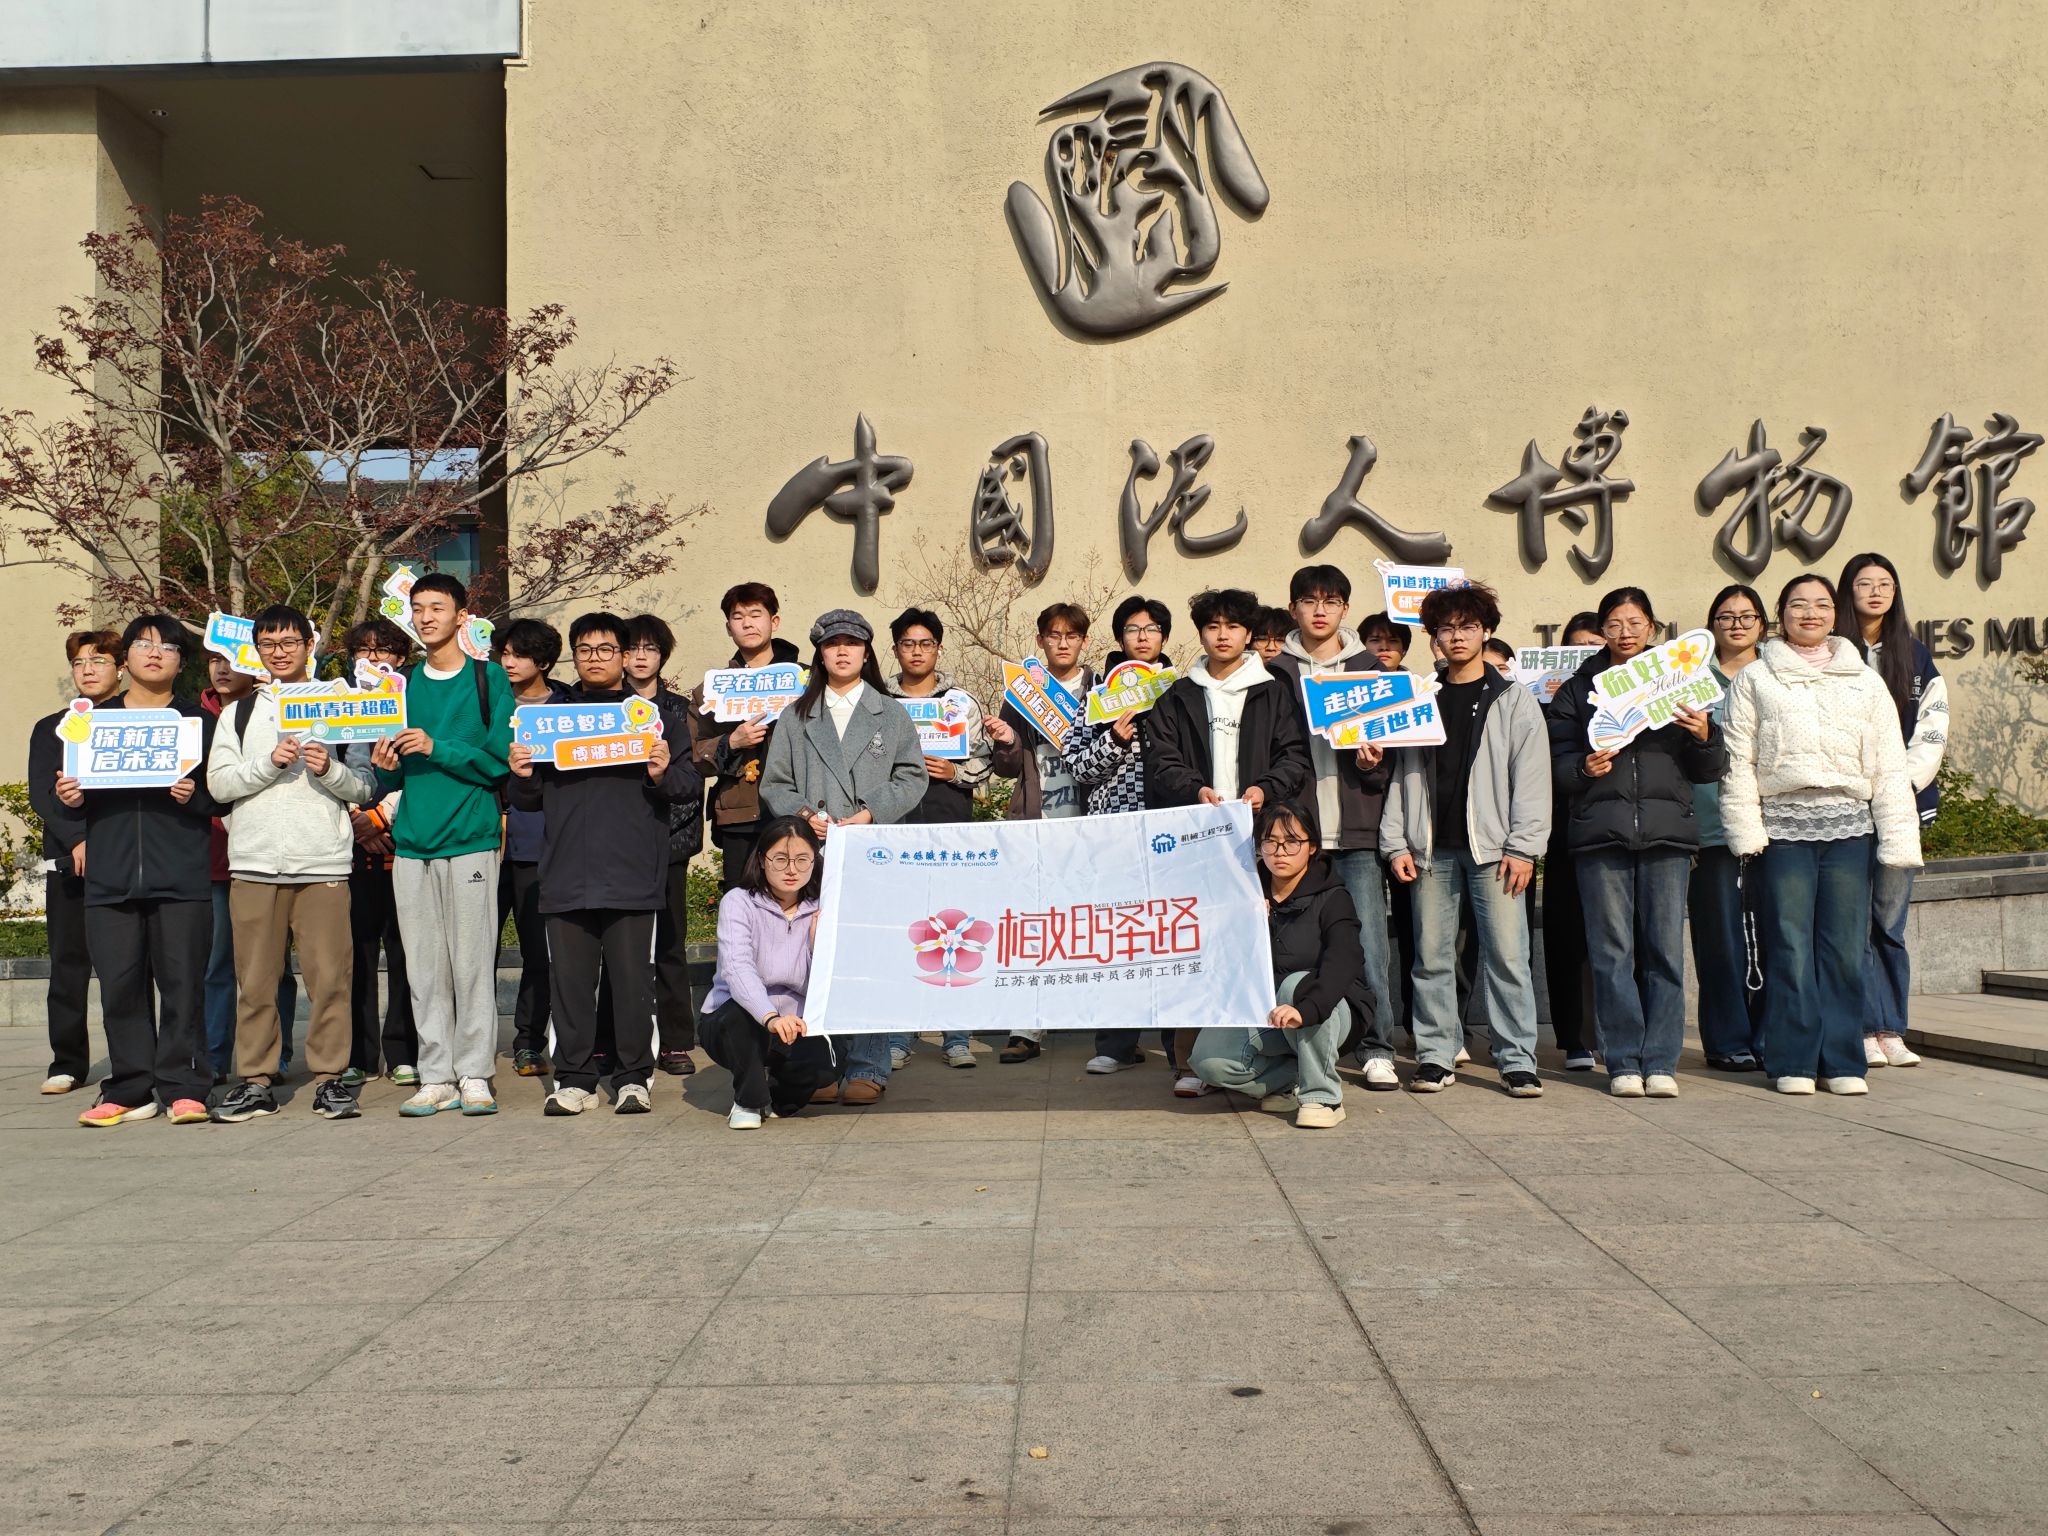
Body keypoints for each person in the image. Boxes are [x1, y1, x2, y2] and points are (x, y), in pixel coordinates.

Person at [1721, 574, 1921, 1096]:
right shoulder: (1756, 678)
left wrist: (1899, 838)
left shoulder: (1864, 680)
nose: (1810, 613)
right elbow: (1738, 761)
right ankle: (1793, 1060)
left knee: (1845, 949)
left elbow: (1889, 764)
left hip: (1850, 829)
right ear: (1780, 614)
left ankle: (1843, 1061)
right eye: (1798, 604)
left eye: (1821, 604)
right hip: (1783, 830)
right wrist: (1746, 831)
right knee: (1789, 947)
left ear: (1835, 613)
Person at [510, 612, 700, 1115]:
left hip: (633, 872)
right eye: (585, 650)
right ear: (574, 657)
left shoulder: (653, 717)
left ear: (624, 655)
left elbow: (687, 784)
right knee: (570, 986)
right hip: (566, 871)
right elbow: (526, 799)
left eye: (606, 649)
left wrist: (661, 772)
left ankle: (634, 1077)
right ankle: (574, 1080)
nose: (595, 658)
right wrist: (522, 774)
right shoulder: (549, 719)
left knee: (634, 983)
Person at [204, 606, 379, 1123]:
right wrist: (269, 763)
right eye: (268, 644)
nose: (278, 652)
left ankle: (330, 1079)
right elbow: (219, 785)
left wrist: (329, 771)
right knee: (255, 983)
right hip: (254, 865)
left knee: (330, 981)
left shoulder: (343, 705)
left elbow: (365, 785)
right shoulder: (239, 712)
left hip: (322, 864)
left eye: (289, 642)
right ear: (256, 650)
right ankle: (256, 1081)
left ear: (310, 644)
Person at [1549, 588, 1726, 1098]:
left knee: (1664, 952)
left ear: (1652, 627)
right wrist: (1583, 768)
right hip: (1599, 835)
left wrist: (1703, 734)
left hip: (1668, 835)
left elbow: (1710, 768)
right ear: (1601, 630)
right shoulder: (1578, 689)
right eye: (1614, 624)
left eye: (1635, 623)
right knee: (1611, 953)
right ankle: (1623, 1060)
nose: (1625, 633)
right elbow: (1555, 761)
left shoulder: (1679, 679)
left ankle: (1662, 1061)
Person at [1381, 581, 1550, 1098]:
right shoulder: (1419, 698)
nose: (1457, 636)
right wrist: (1396, 842)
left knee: (1508, 957)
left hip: (1496, 852)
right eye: (1446, 628)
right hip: (1430, 850)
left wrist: (1524, 848)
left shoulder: (1513, 700)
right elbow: (1402, 773)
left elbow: (1532, 778)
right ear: (1433, 637)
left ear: (1487, 632)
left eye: (1468, 627)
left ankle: (1516, 1060)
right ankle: (1435, 1055)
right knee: (1431, 958)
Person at [1145, 587, 1313, 1095]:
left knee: (1257, 944)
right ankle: (1189, 1061)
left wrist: (1265, 789)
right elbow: (1161, 761)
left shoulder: (1274, 691)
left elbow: (1294, 756)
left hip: (1260, 840)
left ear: (1249, 635)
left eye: (1233, 627)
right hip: (1197, 841)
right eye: (1213, 626)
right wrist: (1194, 790)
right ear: (1201, 634)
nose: (1223, 635)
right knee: (1192, 944)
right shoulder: (1178, 695)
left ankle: (1256, 1051)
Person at [55, 615, 220, 1126]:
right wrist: (71, 799)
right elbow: (66, 797)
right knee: (120, 987)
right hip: (110, 875)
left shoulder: (199, 722)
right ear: (124, 658)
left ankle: (185, 1085)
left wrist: (196, 797)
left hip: (182, 874)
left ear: (181, 663)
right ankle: (129, 1087)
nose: (155, 653)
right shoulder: (91, 723)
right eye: (143, 645)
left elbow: (224, 794)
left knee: (184, 986)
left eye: (168, 647)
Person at [760, 609, 927, 1105]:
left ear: (866, 652)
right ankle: (820, 1068)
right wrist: (804, 815)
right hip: (811, 854)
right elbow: (775, 783)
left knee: (868, 956)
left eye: (851, 643)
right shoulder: (796, 715)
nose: (842, 651)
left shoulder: (890, 713)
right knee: (811, 958)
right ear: (820, 653)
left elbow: (912, 776)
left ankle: (869, 1065)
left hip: (871, 852)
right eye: (832, 644)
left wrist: (871, 813)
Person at [369, 573, 515, 1117]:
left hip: (471, 837)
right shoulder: (400, 684)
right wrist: (385, 764)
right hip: (411, 843)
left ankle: (474, 1072)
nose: (427, 617)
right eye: (418, 608)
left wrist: (438, 747)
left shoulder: (488, 677)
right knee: (423, 968)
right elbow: (390, 776)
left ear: (461, 615)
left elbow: (499, 761)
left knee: (472, 962)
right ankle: (435, 1075)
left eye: (437, 607)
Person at [1266, 564, 1398, 1090]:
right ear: (1293, 608)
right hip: (1295, 836)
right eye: (1309, 601)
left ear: (1345, 609)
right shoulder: (1274, 673)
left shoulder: (1371, 670)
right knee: (1293, 946)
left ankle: (1377, 1046)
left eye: (1331, 601)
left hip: (1356, 830)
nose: (1320, 611)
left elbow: (1392, 760)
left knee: (1370, 944)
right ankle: (1287, 1040)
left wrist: (1372, 763)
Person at [1190, 799, 1366, 1128]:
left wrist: (1308, 1008)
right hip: (1268, 1010)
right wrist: (1249, 925)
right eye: (1270, 842)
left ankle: (1323, 1096)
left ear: (1312, 847)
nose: (1280, 852)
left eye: (1292, 842)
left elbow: (1345, 959)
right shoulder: (1247, 893)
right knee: (1208, 1061)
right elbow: (1223, 961)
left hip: (1329, 1009)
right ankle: (1289, 1080)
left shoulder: (1333, 896)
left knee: (1296, 985)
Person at [1837, 552, 1947, 1070]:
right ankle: (1861, 1027)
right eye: (1865, 584)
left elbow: (1933, 729)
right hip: (1847, 804)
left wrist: (1898, 786)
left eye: (1885, 583)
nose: (1876, 592)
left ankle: (1890, 1029)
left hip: (1901, 805)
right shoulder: (1833, 652)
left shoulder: (1916, 655)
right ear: (1848, 591)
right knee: (1853, 924)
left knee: (1888, 922)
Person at [1066, 595, 1171, 1075]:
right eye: (1132, 629)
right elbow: (1077, 765)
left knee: (1171, 936)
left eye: (1151, 629)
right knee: (1117, 937)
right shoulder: (1096, 696)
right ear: (1119, 638)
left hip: (1169, 829)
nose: (1142, 637)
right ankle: (1116, 1044)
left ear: (1164, 637)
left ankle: (1180, 1048)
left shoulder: (1177, 689)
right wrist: (1113, 739)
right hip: (1113, 832)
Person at [986, 602, 1095, 1063]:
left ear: (1084, 641)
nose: (1063, 643)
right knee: (1034, 921)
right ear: (1040, 641)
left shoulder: (1100, 688)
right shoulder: (1023, 691)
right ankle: (1026, 1027)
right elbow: (1006, 767)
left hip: (1091, 824)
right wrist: (1007, 740)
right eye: (1054, 635)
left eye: (1072, 635)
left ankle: (1108, 1028)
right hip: (1037, 821)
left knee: (1095, 920)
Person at [885, 606, 992, 1069]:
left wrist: (955, 772)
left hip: (950, 824)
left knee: (953, 928)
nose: (916, 651)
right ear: (896, 650)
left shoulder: (961, 703)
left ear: (939, 648)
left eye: (925, 643)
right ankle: (897, 1035)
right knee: (901, 929)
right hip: (893, 828)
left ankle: (956, 1036)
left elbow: (985, 760)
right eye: (908, 643)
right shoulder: (877, 701)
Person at [698, 816, 839, 1126]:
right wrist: (770, 1017)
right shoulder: (739, 902)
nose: (792, 870)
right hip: (735, 1017)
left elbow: (827, 985)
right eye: (780, 859)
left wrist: (816, 947)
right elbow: (737, 968)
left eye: (802, 859)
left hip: (795, 1020)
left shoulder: (823, 907)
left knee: (823, 1067)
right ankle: (748, 1102)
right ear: (762, 860)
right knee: (740, 1019)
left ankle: (775, 1094)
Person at [28, 629, 122, 1095]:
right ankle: (66, 1061)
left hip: (124, 858)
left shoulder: (135, 721)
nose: (87, 669)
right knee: (68, 963)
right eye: (79, 662)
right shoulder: (52, 727)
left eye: (99, 660)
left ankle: (132, 1060)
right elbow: (43, 793)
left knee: (126, 966)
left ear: (120, 669)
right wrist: (78, 839)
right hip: (71, 863)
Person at [1690, 585, 1768, 1071]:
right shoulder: (1692, 679)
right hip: (1710, 828)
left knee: (1776, 938)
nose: (1736, 625)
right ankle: (1727, 1040)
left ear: (1762, 623)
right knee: (1720, 939)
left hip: (1774, 827)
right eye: (1726, 616)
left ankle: (1770, 1034)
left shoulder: (1777, 673)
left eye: (1746, 616)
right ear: (1712, 624)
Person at [339, 619, 417, 1087]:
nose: (372, 659)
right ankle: (360, 1055)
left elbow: (422, 773)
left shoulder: (414, 701)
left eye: (383, 650)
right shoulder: (333, 702)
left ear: (400, 658)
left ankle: (404, 1050)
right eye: (363, 651)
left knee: (406, 953)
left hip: (403, 842)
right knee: (357, 954)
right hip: (349, 845)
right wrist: (357, 820)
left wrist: (381, 819)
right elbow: (323, 767)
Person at [687, 583, 802, 894]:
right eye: (738, 617)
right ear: (729, 628)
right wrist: (731, 742)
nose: (747, 623)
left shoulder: (806, 680)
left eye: (756, 614)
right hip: (740, 812)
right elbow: (693, 755)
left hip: (797, 808)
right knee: (741, 901)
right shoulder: (713, 690)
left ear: (774, 621)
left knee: (797, 901)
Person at [494, 618, 568, 1078]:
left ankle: (528, 1042)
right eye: (504, 652)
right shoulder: (487, 700)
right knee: (475, 952)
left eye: (519, 654)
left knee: (537, 952)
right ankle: (471, 1043)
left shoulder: (568, 706)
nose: (508, 661)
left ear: (542, 661)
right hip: (481, 838)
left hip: (537, 842)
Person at [1539, 610, 1604, 1071]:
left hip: (1613, 824)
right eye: (1576, 647)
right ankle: (1576, 1038)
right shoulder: (1550, 694)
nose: (1586, 653)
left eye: (1593, 645)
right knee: (1566, 933)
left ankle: (1616, 1033)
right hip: (1562, 824)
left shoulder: (1641, 689)